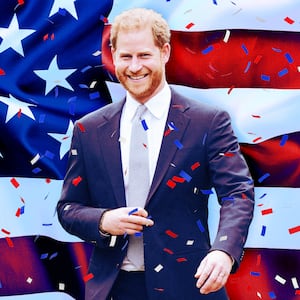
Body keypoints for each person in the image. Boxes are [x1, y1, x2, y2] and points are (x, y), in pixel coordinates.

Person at [57, 7, 254, 300]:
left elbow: (237, 193)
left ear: (164, 52)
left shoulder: (208, 122)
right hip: (112, 289)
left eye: (144, 55)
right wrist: (102, 220)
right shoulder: (89, 129)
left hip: (190, 286)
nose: (135, 67)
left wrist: (224, 251)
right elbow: (68, 209)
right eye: (126, 57)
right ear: (113, 57)